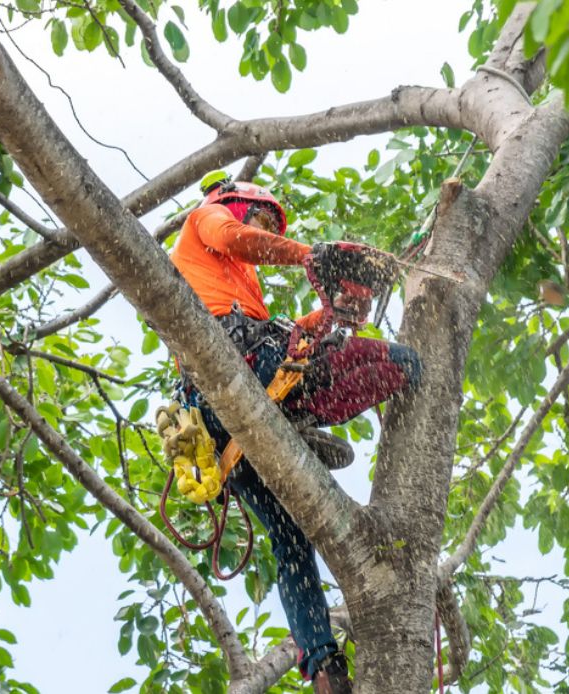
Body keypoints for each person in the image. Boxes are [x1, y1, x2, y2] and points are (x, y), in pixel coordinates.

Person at [168, 173, 421, 694]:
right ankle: (296, 423)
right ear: (234, 204)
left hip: (239, 422)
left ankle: (322, 665)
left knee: (290, 541)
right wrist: (312, 256)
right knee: (402, 361)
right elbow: (239, 239)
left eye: (268, 225)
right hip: (237, 374)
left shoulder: (239, 287)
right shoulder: (206, 221)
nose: (263, 230)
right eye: (261, 218)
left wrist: (333, 315)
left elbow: (295, 339)